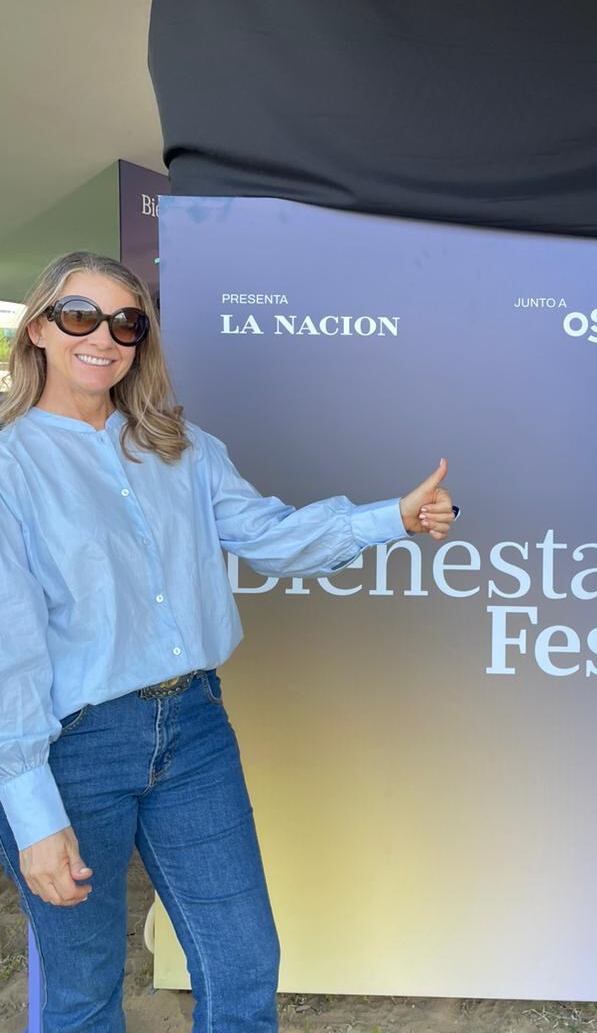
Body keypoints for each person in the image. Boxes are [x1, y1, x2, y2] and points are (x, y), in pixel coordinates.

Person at [0, 250, 458, 1032]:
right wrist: (31, 809)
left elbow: (272, 538)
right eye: (80, 316)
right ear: (40, 328)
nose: (103, 337)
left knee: (243, 966)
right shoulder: (10, 465)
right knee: (82, 990)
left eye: (126, 322)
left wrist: (393, 518)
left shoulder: (180, 446)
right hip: (73, 747)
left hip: (194, 731)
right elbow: (8, 649)